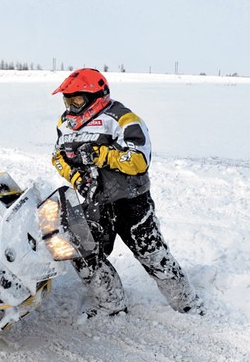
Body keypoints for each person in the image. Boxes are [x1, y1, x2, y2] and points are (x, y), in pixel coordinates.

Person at [50, 68, 202, 318]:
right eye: (68, 99)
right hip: (94, 203)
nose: (71, 105)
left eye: (77, 99)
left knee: (152, 254)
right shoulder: (64, 123)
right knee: (85, 253)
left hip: (130, 201)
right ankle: (111, 304)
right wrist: (77, 177)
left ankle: (188, 304)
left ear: (96, 96)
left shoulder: (123, 118)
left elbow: (140, 159)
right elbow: (58, 157)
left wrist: (102, 155)